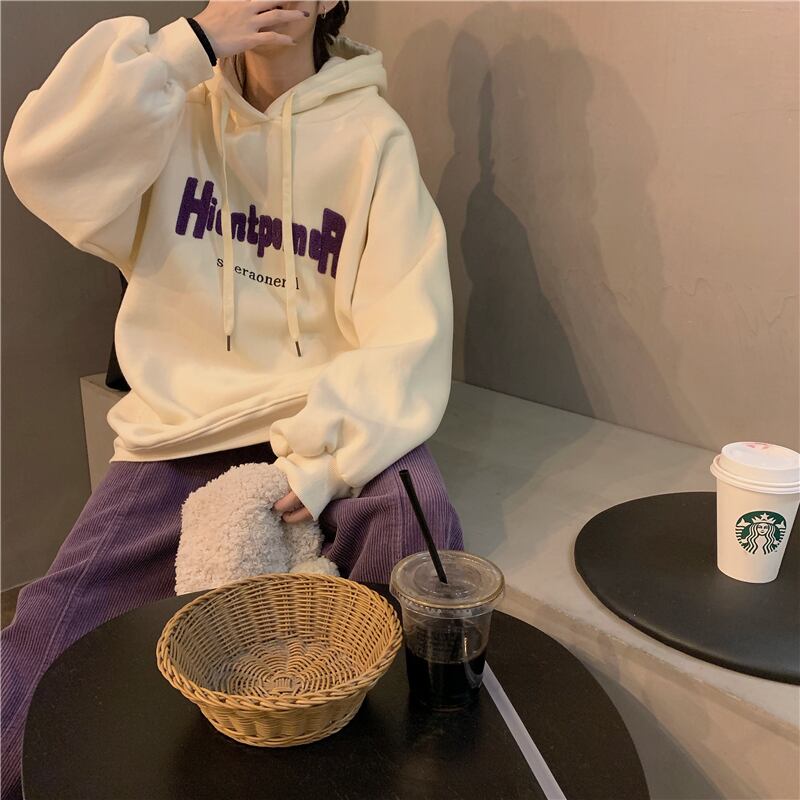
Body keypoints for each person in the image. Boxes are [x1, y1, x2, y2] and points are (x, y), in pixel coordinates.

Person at [0, 2, 464, 797]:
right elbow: (44, 160)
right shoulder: (172, 108)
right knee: (44, 643)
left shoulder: (371, 136)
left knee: (417, 531)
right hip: (185, 429)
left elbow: (406, 325)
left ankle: (385, 773)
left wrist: (328, 457)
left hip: (324, 416)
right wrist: (193, 42)